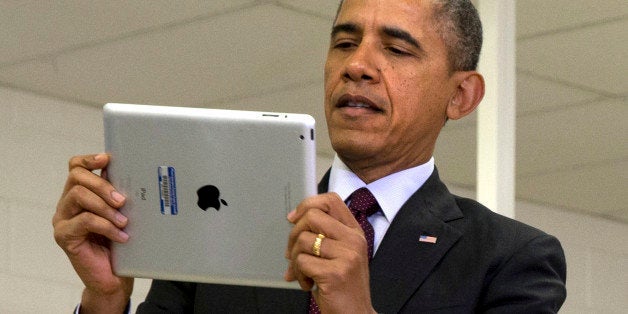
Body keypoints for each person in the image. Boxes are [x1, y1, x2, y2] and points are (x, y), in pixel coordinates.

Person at [53, 0, 567, 313]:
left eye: (396, 49)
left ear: (461, 96)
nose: (358, 65)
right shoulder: (213, 231)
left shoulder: (511, 260)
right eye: (344, 43)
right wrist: (105, 299)